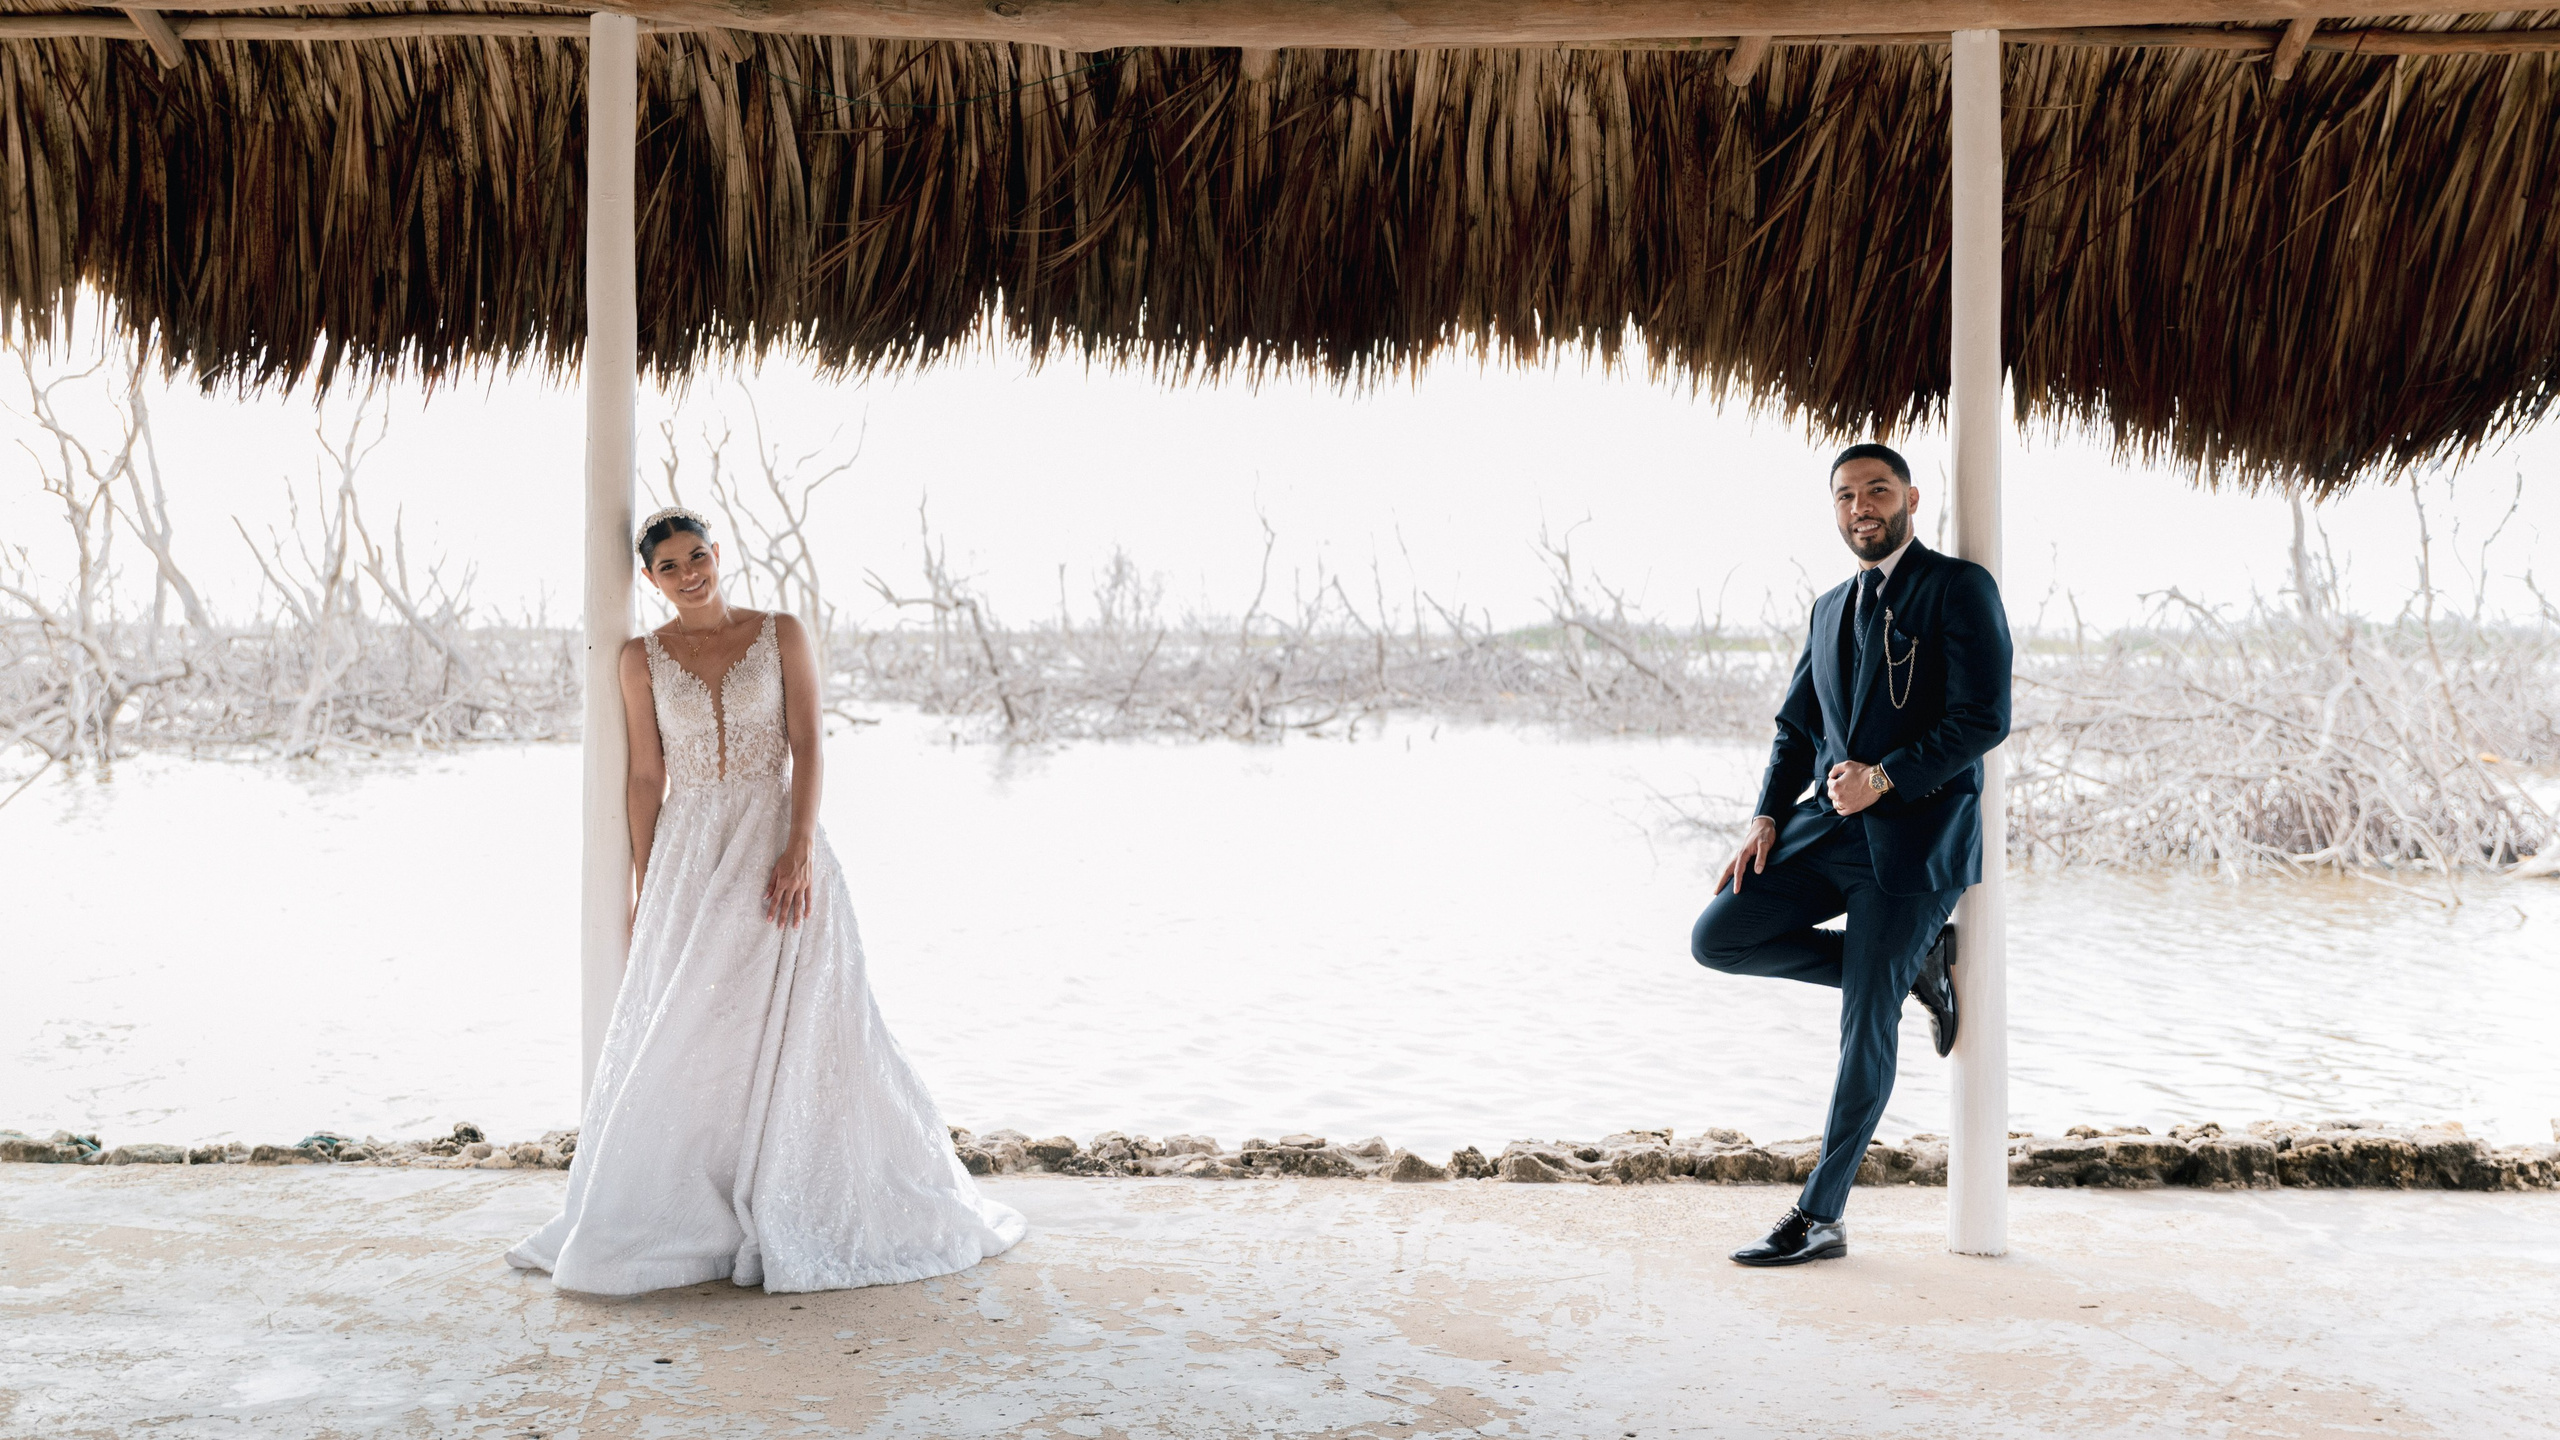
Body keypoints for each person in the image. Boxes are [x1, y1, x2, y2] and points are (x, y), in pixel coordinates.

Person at [508, 506, 1024, 1295]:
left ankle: (793, 1185)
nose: (690, 574)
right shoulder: (639, 660)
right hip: (690, 853)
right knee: (693, 1027)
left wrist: (800, 846)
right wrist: (648, 884)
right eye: (671, 566)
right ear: (650, 580)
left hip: (776, 837)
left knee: (809, 1019)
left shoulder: (779, 632)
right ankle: (696, 1200)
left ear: (719, 555)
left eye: (698, 556)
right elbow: (647, 776)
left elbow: (811, 742)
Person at [1690, 444, 2012, 1267]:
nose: (1860, 507)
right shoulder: (1830, 606)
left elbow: (1983, 719)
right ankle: (1909, 970)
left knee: (1863, 1025)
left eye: (1875, 491)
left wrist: (1886, 777)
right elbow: (1797, 726)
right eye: (1845, 496)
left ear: (1909, 497)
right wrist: (1767, 813)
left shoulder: (1957, 588)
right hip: (1826, 833)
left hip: (1917, 841)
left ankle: (1821, 1215)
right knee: (1720, 937)